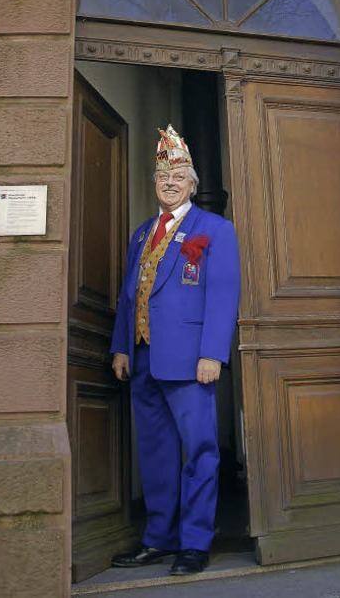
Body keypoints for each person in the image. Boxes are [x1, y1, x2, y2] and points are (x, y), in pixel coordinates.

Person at [110, 124, 241, 576]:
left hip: (190, 359)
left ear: (192, 184)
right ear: (154, 182)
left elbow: (223, 293)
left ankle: (195, 541)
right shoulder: (141, 233)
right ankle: (160, 538)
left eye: (179, 176)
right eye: (163, 175)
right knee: (156, 453)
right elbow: (132, 293)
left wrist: (213, 353)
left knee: (200, 449)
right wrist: (121, 347)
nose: (170, 182)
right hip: (142, 357)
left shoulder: (214, 229)